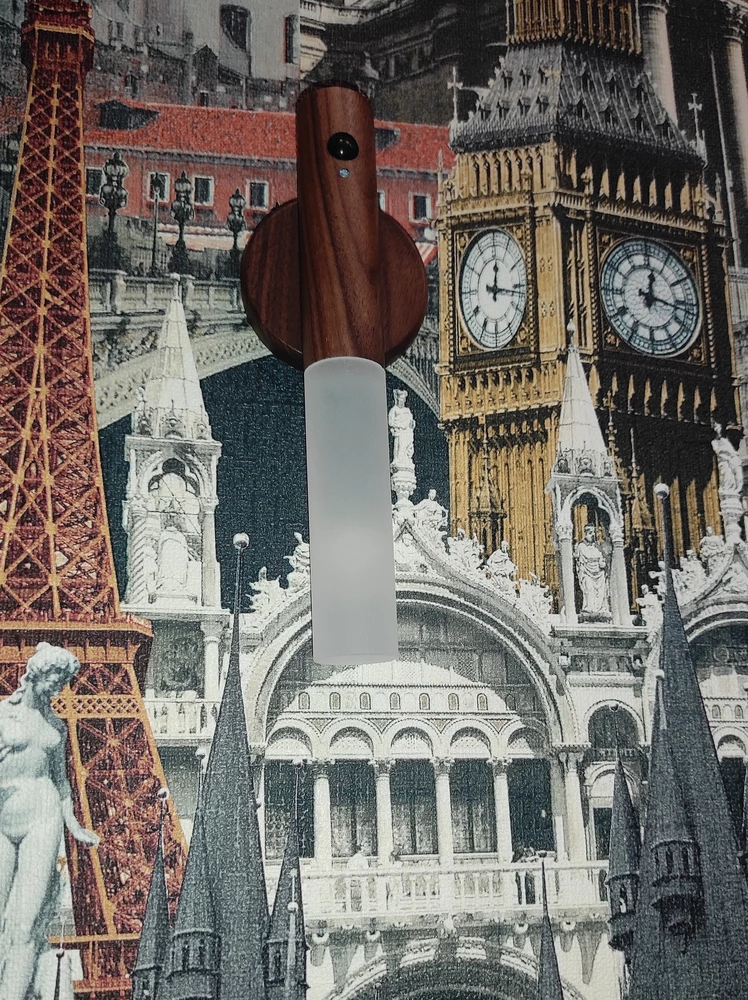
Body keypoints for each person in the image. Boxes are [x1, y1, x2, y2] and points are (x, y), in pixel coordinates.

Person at [0, 643, 99, 1000]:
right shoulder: (1, 715)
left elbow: (61, 782)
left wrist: (73, 824)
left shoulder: (55, 724)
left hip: (42, 817)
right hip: (3, 816)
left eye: (63, 681)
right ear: (36, 673)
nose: (59, 687)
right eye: (55, 678)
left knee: (27, 920)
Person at [574, 523, 610, 616]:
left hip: (599, 573)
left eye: (594, 532)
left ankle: (600, 609)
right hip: (587, 572)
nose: (593, 535)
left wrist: (603, 563)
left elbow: (603, 558)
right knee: (589, 589)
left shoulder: (598, 546)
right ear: (585, 533)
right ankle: (589, 609)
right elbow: (579, 563)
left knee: (601, 592)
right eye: (590, 533)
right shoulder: (581, 547)